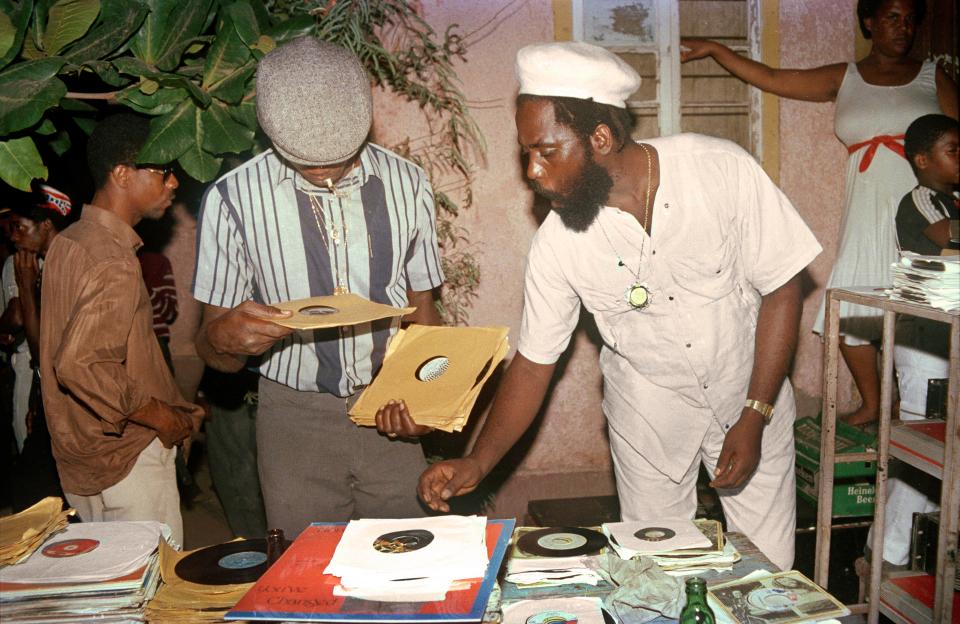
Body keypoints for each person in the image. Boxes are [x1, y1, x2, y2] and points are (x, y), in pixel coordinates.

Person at [418, 41, 822, 571]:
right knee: (657, 576)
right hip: (649, 421)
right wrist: (478, 460)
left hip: (750, 394)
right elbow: (535, 364)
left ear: (600, 138)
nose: (533, 172)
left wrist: (755, 413)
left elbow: (783, 289)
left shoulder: (719, 170)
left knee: (767, 575)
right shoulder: (559, 242)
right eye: (526, 155)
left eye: (546, 151)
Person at [192, 36, 444, 537]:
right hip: (292, 421)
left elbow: (426, 316)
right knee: (307, 580)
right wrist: (227, 341)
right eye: (306, 161)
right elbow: (210, 347)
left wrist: (429, 402)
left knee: (411, 569)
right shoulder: (232, 199)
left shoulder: (408, 184)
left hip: (391, 410)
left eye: (340, 157)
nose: (326, 171)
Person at [680, 0, 958, 427]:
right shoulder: (845, 77)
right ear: (869, 22)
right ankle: (875, 403)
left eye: (909, 20)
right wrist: (720, 50)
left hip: (921, 205)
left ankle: (918, 407)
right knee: (851, 305)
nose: (902, 28)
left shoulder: (931, 75)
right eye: (891, 18)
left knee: (920, 306)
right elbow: (773, 78)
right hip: (866, 203)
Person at [39, 113, 201, 546]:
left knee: (107, 591)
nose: (173, 184)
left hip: (80, 459)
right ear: (123, 174)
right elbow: (80, 365)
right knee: (151, 593)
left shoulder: (69, 242)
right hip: (128, 459)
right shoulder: (112, 258)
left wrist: (177, 405)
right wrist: (161, 417)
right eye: (164, 171)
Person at [871, 113, 957, 565]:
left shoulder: (953, 200)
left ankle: (908, 549)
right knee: (920, 445)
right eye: (953, 150)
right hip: (922, 337)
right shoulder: (923, 199)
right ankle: (888, 552)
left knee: (941, 449)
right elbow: (949, 239)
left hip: (947, 334)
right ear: (923, 160)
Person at [0, 184, 73, 453]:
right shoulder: (55, 261)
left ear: (45, 226)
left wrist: (27, 288)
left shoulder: (58, 266)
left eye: (20, 227)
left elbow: (39, 345)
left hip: (63, 382)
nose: (13, 237)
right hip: (51, 381)